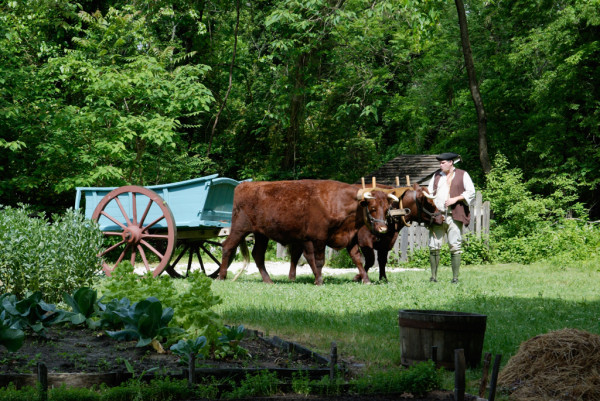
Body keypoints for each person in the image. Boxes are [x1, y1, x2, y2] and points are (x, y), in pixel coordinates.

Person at [427, 152, 475, 283]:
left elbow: (471, 192)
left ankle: (455, 278)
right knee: (434, 246)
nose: (440, 165)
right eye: (440, 163)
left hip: (455, 215)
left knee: (455, 246)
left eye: (443, 163)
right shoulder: (436, 176)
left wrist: (455, 199)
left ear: (451, 162)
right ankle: (433, 277)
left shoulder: (463, 174)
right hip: (438, 216)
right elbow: (429, 193)